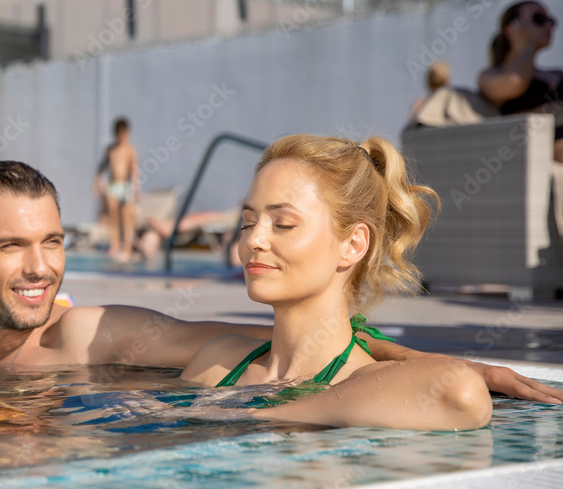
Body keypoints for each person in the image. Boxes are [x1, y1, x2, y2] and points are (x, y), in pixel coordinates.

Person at [0, 160, 562, 411]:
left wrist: (464, 367)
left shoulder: (89, 334)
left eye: (52, 242)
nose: (39, 268)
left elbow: (280, 342)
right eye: (11, 247)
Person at [179, 135, 493, 429]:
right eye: (248, 223)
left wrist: (258, 416)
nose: (253, 240)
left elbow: (463, 394)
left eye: (283, 224)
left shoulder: (363, 379)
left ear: (353, 245)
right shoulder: (218, 360)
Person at [478, 0, 563, 162]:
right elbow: (515, 82)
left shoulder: (554, 72)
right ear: (511, 30)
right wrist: (526, 45)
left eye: (551, 20)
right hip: (544, 151)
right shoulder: (490, 75)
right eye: (538, 19)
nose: (549, 26)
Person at [94, 118, 140, 262]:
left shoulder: (130, 149)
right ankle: (114, 246)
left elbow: (134, 170)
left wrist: (136, 189)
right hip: (113, 185)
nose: (121, 137)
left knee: (126, 217)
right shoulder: (110, 150)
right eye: (119, 134)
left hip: (125, 186)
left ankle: (127, 248)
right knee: (112, 217)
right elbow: (101, 168)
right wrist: (96, 184)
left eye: (124, 134)